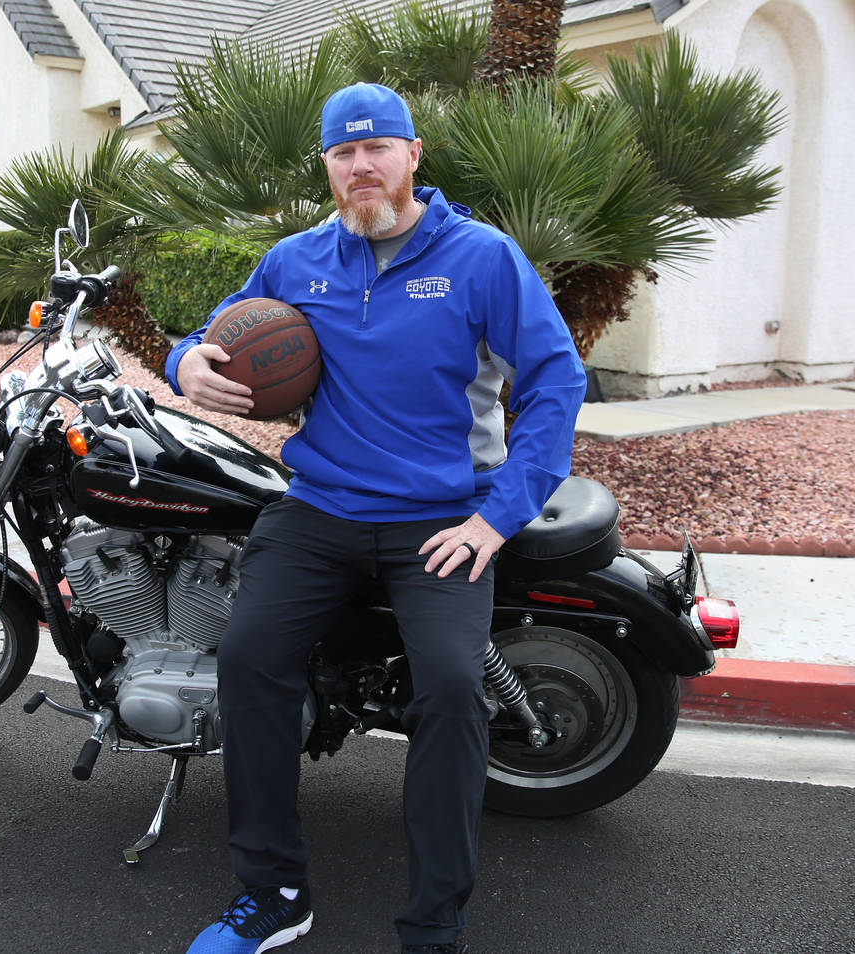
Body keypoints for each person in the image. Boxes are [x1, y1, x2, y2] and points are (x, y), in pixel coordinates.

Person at [166, 83, 586, 954]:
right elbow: (224, 331)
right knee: (248, 660)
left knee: (449, 683)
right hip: (320, 507)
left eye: (377, 149)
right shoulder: (296, 258)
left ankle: (434, 922)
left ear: (412, 156)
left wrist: (496, 519)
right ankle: (274, 890)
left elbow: (556, 381)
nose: (361, 167)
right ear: (327, 166)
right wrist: (184, 362)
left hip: (441, 519)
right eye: (342, 154)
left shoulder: (480, 257)